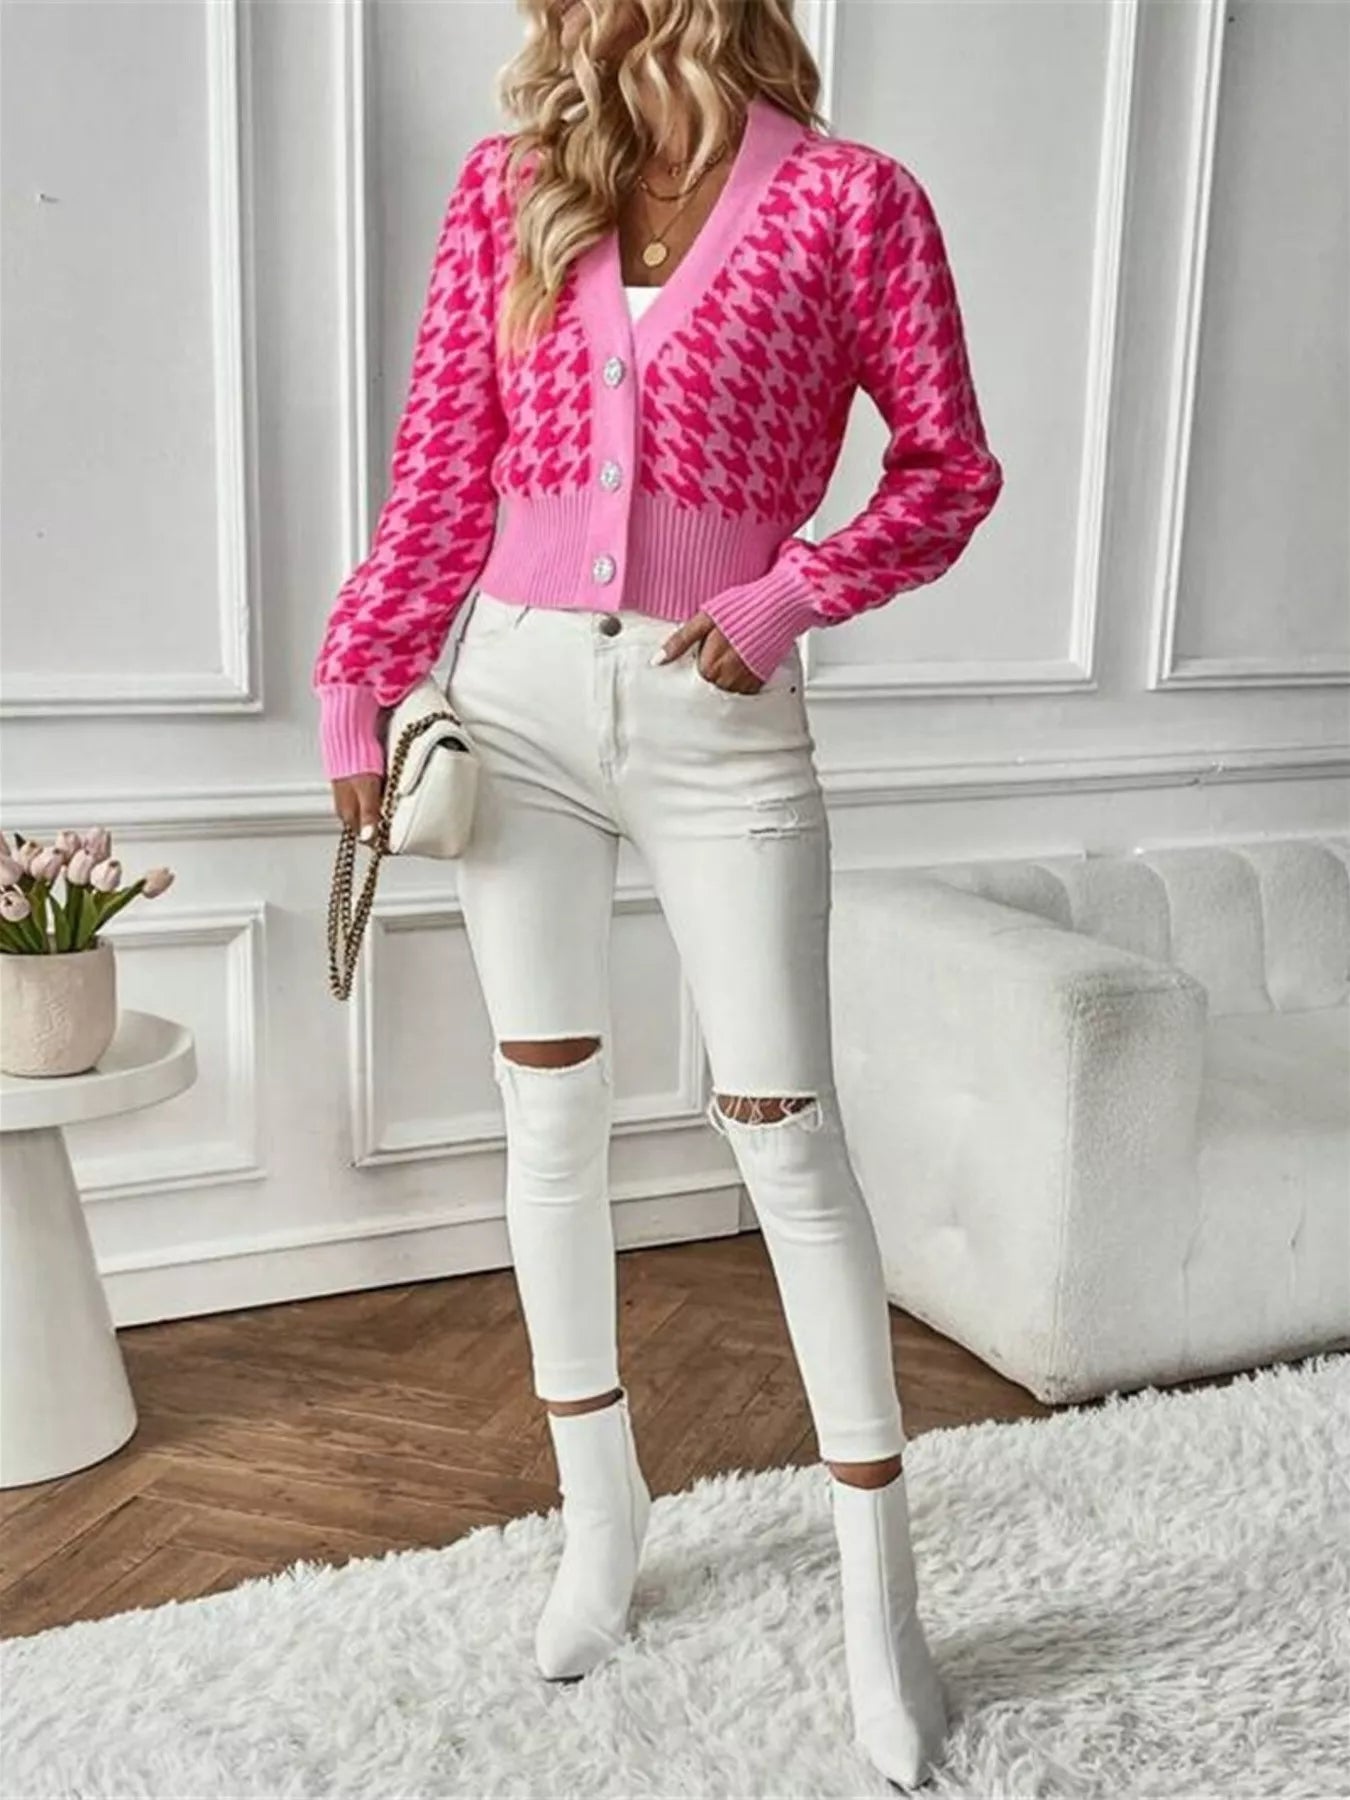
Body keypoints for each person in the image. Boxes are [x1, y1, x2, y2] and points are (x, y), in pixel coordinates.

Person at [312, 0, 1002, 1786]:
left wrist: (787, 596)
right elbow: (438, 473)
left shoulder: (850, 201)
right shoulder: (511, 186)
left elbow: (949, 467)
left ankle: (881, 1614)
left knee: (785, 1137)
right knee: (547, 1121)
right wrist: (358, 682)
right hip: (512, 699)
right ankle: (598, 1525)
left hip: (718, 719)